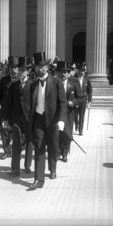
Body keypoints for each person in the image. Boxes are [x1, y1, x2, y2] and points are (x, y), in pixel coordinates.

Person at [28, 52, 68, 190]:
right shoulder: (33, 85)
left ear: (47, 67)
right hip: (38, 120)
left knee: (53, 145)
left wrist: (62, 120)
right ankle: (39, 179)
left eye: (42, 66)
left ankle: (52, 168)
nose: (39, 69)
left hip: (53, 121)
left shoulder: (56, 82)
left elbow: (63, 103)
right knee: (39, 147)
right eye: (37, 67)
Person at [3, 56, 34, 177]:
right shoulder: (13, 85)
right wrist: (5, 118)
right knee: (16, 143)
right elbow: (8, 104)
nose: (21, 72)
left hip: (29, 119)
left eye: (24, 70)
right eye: (20, 70)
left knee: (29, 142)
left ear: (28, 71)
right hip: (16, 119)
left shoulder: (33, 85)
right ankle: (15, 168)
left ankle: (27, 166)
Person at [0, 56, 20, 160]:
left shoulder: (20, 79)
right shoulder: (4, 80)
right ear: (8, 68)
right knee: (4, 130)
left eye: (15, 67)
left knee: (16, 130)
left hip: (17, 110)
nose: (13, 69)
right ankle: (6, 150)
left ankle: (17, 148)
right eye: (11, 67)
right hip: (5, 110)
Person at [55, 61, 81, 162]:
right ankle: (57, 152)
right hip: (57, 113)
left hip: (69, 113)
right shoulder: (54, 84)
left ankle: (65, 152)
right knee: (57, 132)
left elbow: (79, 98)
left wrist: (73, 102)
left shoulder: (73, 84)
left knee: (67, 133)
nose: (63, 74)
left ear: (69, 73)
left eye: (65, 72)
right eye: (61, 72)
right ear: (58, 73)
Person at [74, 63, 93, 136]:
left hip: (83, 99)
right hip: (75, 99)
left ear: (84, 71)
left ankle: (80, 130)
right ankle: (76, 124)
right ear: (77, 70)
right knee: (75, 115)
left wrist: (89, 101)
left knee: (81, 115)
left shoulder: (87, 79)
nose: (81, 72)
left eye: (82, 70)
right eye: (80, 70)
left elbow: (90, 90)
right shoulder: (74, 78)